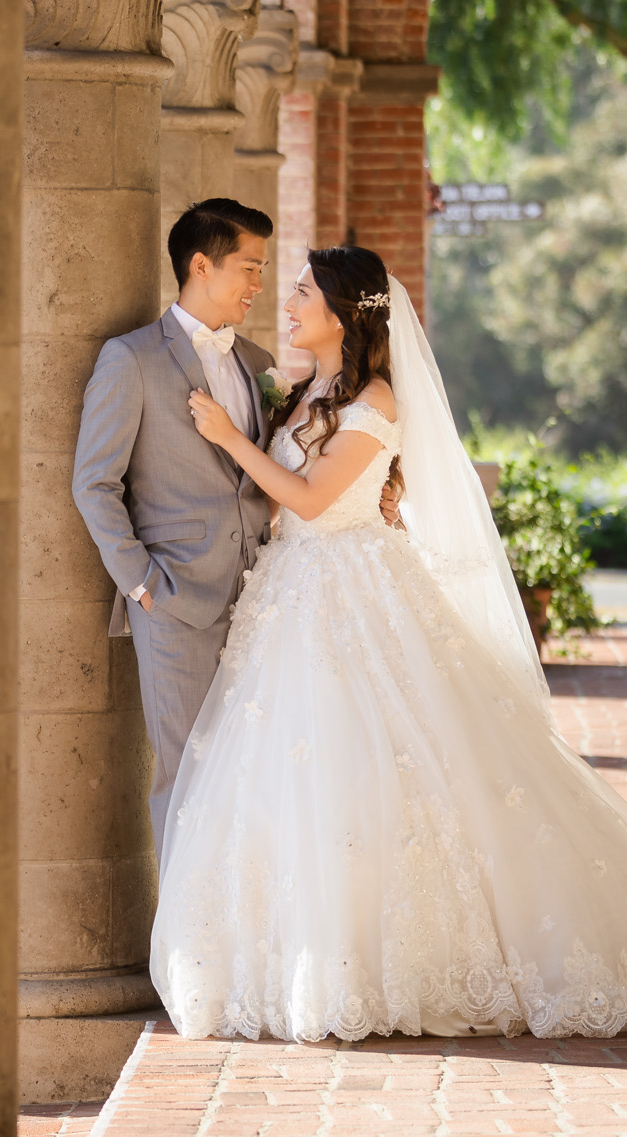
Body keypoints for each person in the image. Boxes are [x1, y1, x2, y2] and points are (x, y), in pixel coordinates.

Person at [149, 245, 627, 1042]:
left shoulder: (375, 397)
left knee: (388, 763)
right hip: (295, 597)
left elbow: (314, 499)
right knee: (300, 772)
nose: (288, 297)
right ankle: (306, 952)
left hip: (350, 589)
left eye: (305, 289)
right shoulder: (308, 389)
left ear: (346, 311)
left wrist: (228, 438)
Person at [72, 200, 400, 862]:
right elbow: (94, 484)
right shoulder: (130, 359)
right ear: (202, 265)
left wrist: (373, 492)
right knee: (186, 777)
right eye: (250, 268)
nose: (261, 286)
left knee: (259, 780)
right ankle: (183, 961)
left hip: (268, 605)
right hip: (176, 604)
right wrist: (141, 585)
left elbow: (289, 476)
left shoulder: (261, 364)